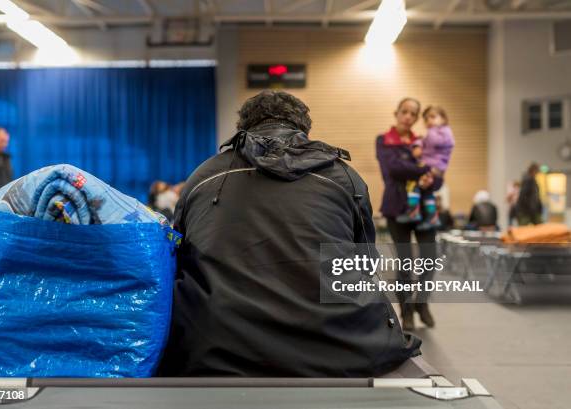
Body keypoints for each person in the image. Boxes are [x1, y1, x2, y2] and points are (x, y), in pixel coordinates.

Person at [159, 90, 420, 377]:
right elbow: (365, 264)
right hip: (338, 349)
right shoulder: (343, 176)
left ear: (243, 128)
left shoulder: (202, 177)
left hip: (212, 349)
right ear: (304, 131)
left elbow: (176, 260)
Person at [376, 97, 442, 331]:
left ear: (416, 118)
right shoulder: (384, 141)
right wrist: (425, 170)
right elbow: (393, 169)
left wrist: (428, 182)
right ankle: (406, 312)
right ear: (396, 113)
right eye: (404, 112)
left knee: (430, 260)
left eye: (413, 114)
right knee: (405, 263)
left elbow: (439, 176)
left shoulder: (423, 142)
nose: (408, 117)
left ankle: (420, 304)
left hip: (425, 210)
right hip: (396, 209)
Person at [396, 106, 455, 230]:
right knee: (428, 193)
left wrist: (428, 135)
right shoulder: (436, 132)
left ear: (443, 119)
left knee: (412, 183)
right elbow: (423, 142)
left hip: (434, 166)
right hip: (432, 166)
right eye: (427, 119)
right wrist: (418, 143)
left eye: (433, 117)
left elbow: (435, 142)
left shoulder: (444, 131)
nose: (429, 121)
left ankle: (413, 212)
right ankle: (433, 217)